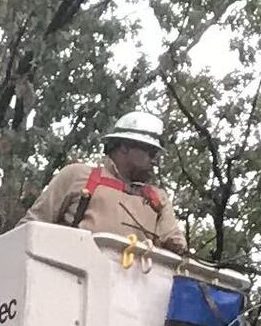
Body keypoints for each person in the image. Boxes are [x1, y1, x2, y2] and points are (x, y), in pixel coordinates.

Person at [27, 105, 190, 251]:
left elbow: (176, 245)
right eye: (151, 153)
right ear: (125, 146)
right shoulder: (78, 176)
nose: (154, 160)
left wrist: (175, 246)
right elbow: (29, 228)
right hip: (72, 277)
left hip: (134, 281)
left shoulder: (157, 199)